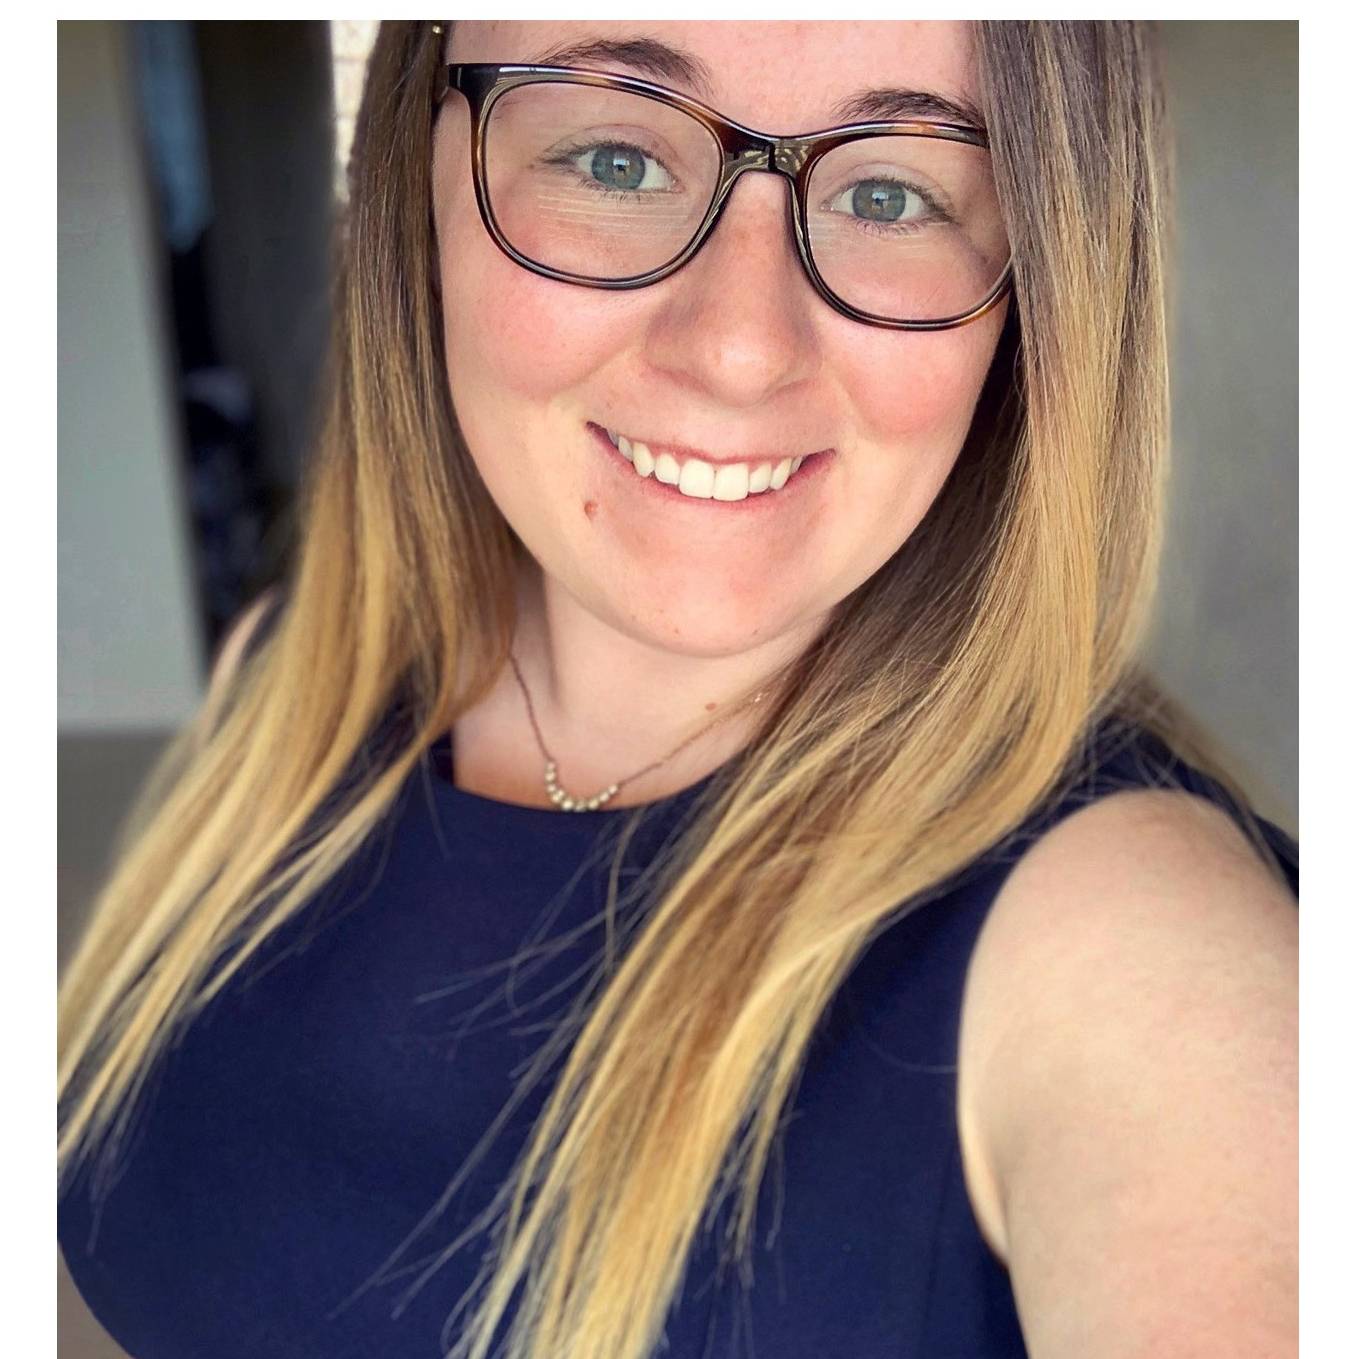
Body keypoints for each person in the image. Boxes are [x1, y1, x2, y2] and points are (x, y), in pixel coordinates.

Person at [57, 20, 1298, 1359]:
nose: (741, 348)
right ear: (415, 183)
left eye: (892, 194)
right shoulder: (286, 691)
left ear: (1041, 287)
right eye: (615, 157)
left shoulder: (1134, 949)